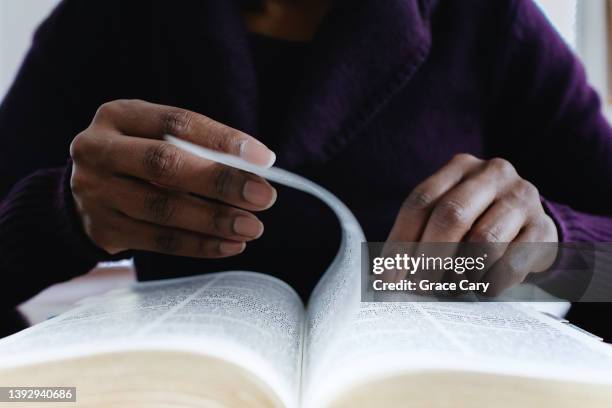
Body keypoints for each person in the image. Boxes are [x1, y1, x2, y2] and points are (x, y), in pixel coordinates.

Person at [1, 0, 611, 338]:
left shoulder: (489, 22)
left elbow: (604, 266)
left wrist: (552, 249)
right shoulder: (105, 20)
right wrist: (65, 216)